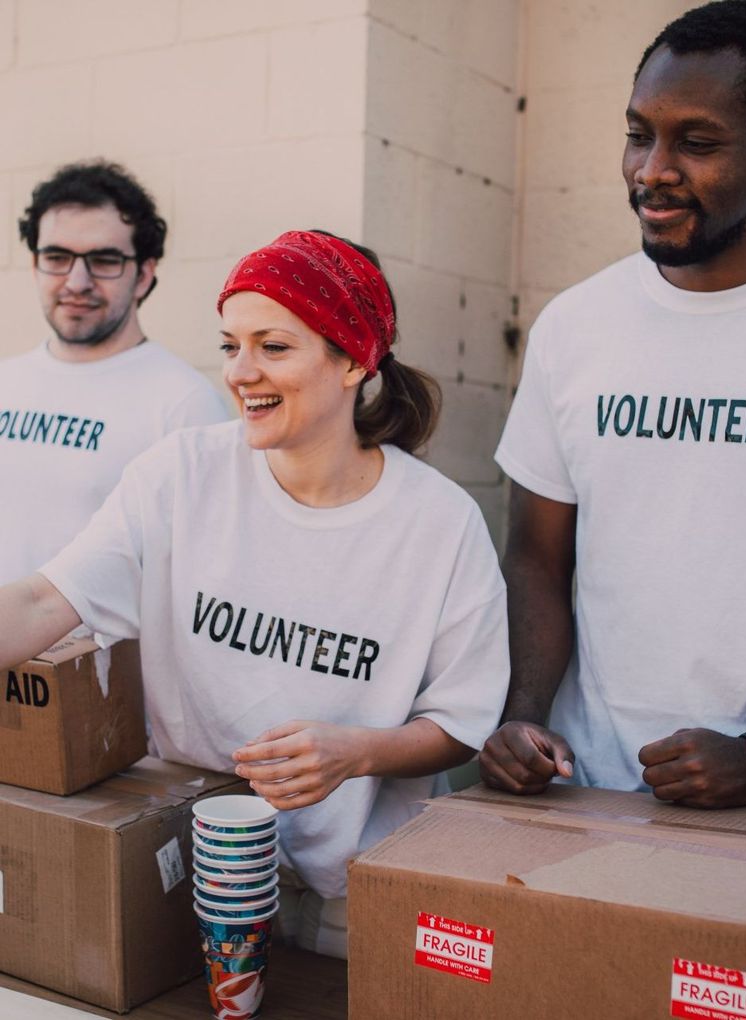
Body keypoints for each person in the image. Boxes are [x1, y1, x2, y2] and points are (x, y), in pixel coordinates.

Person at [0, 229, 509, 956]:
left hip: (357, 899)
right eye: (230, 344)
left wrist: (356, 751)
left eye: (273, 346)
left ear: (353, 361)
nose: (240, 371)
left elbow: (461, 722)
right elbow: (44, 603)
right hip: (198, 871)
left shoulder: (439, 522)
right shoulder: (180, 474)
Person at [479, 0, 746, 810]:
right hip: (589, 789)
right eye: (639, 134)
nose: (652, 170)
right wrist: (522, 718)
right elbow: (537, 558)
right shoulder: (576, 325)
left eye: (697, 143)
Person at [0, 160, 229, 584]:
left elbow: (207, 573)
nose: (77, 281)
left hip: (100, 653)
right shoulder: (5, 382)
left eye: (104, 260)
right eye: (57, 257)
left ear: (143, 275)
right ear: (34, 266)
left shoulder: (186, 407)